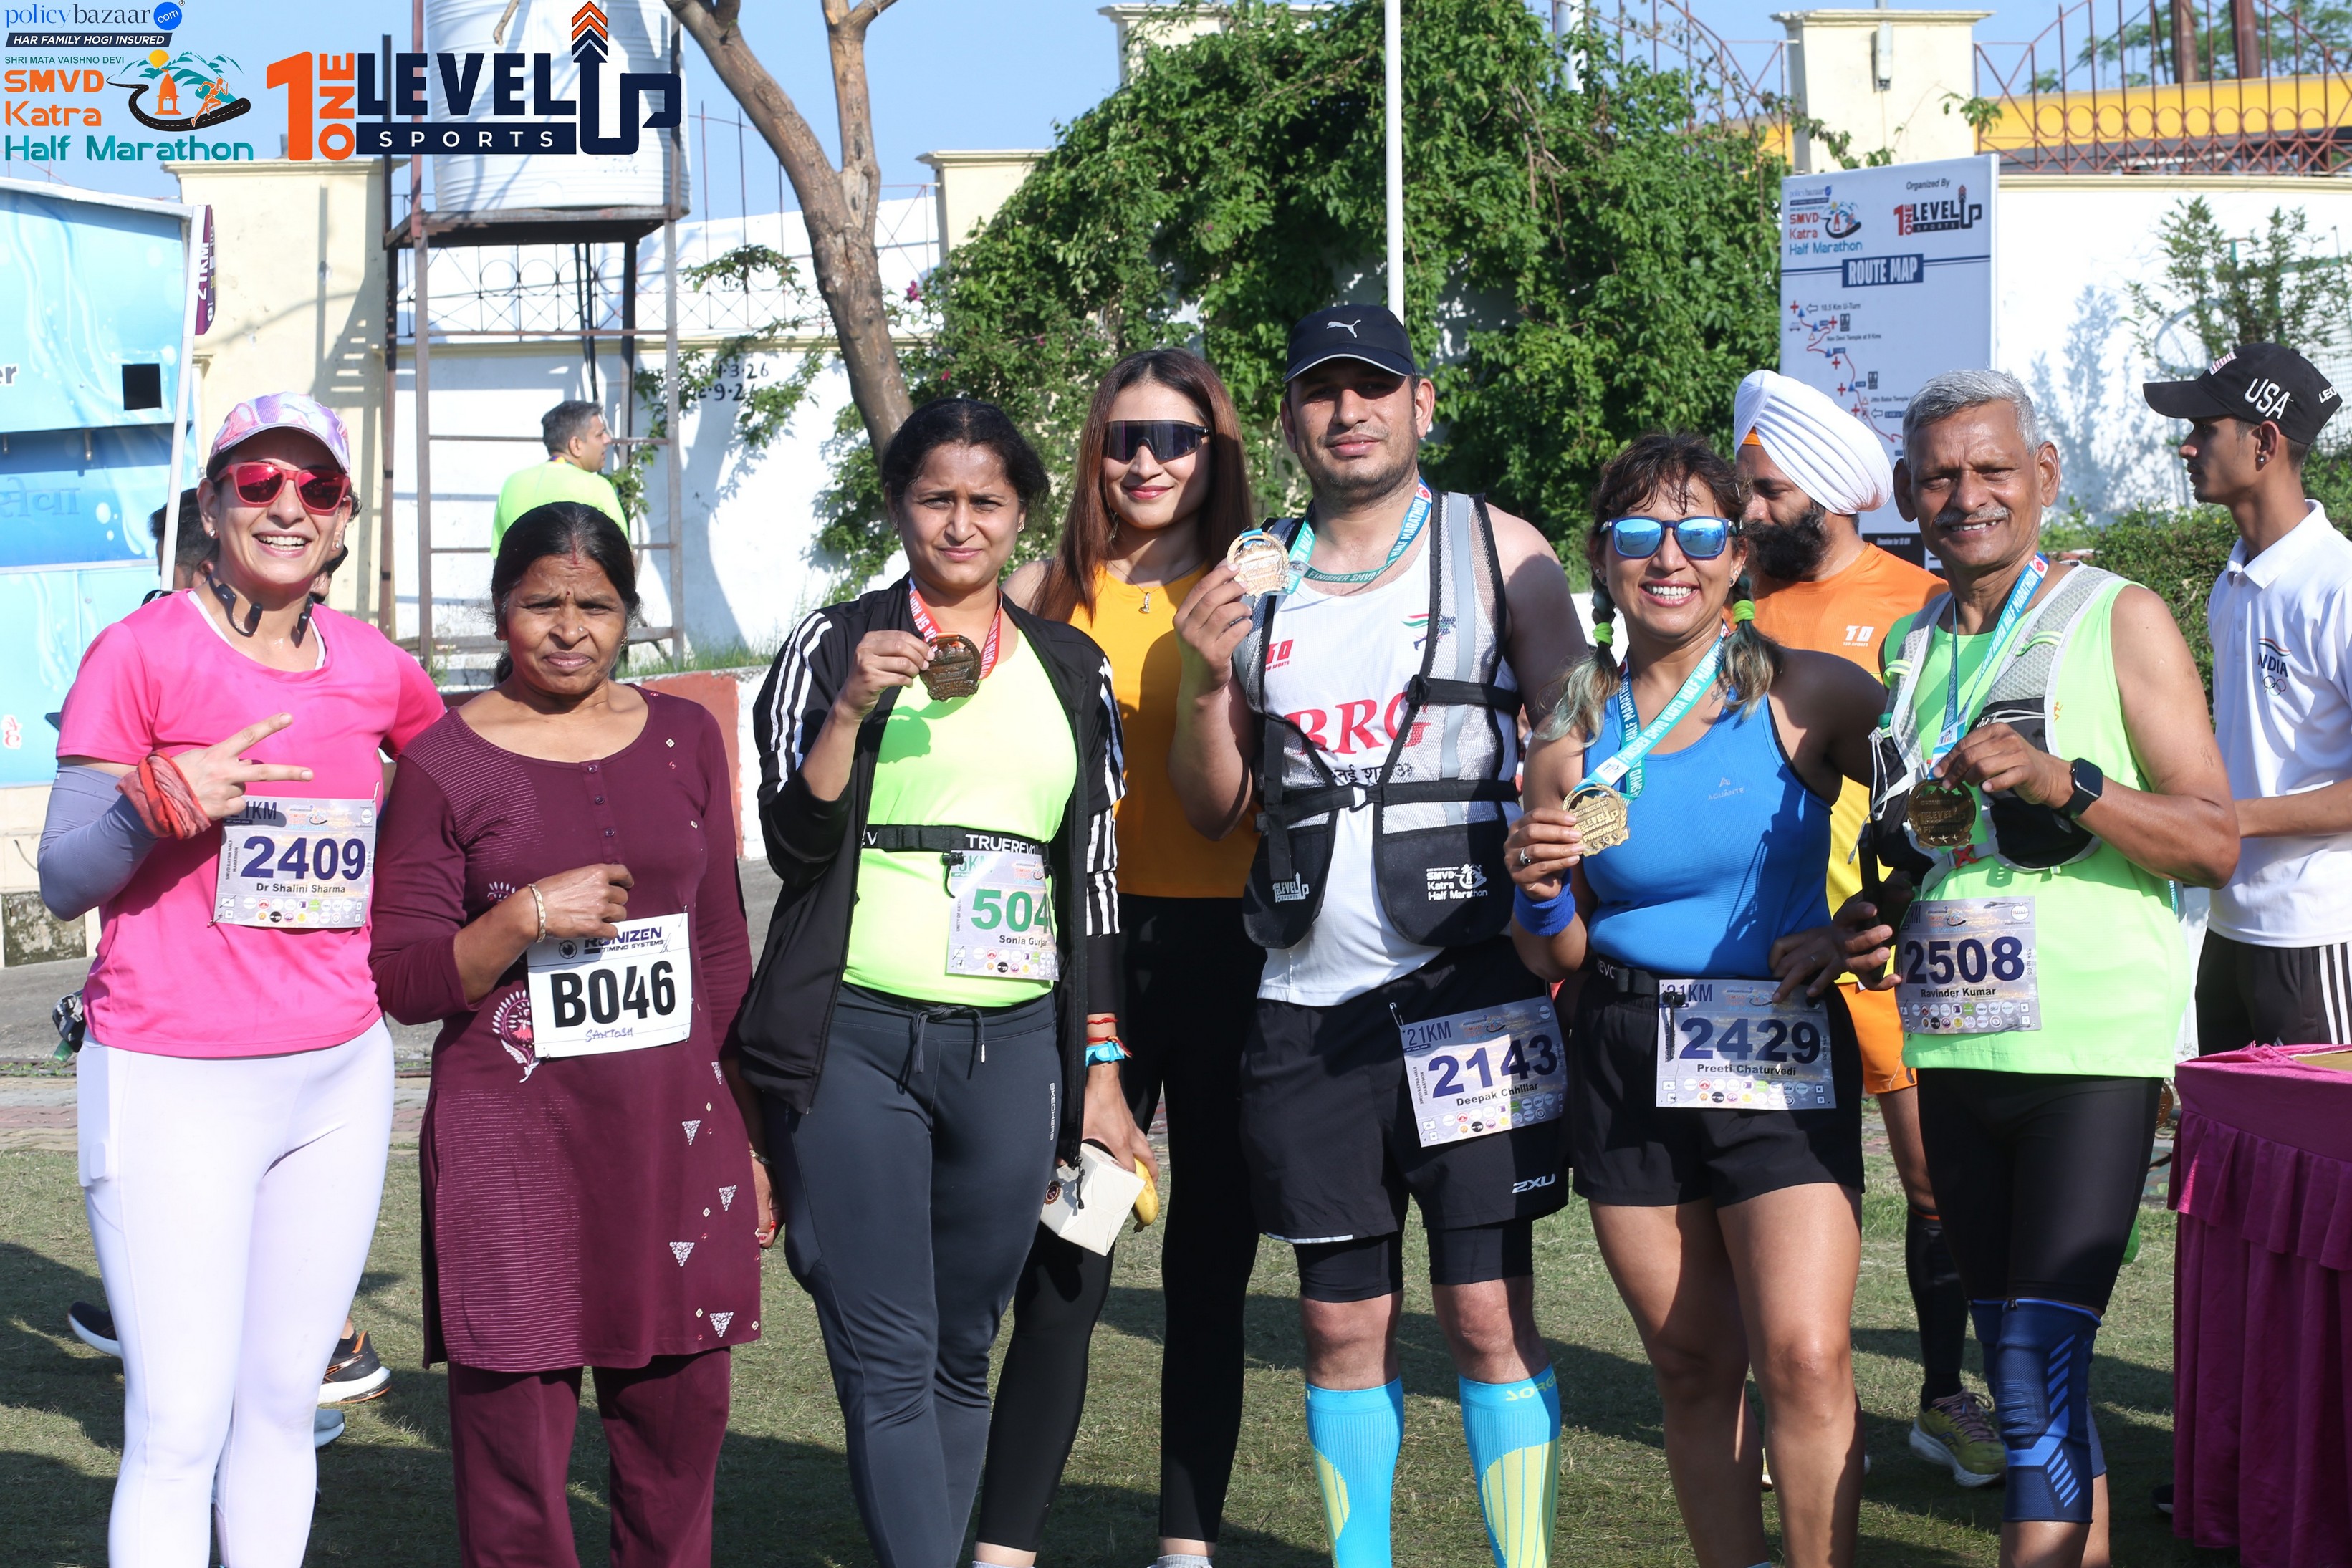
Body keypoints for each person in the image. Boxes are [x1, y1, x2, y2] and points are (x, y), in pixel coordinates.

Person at [1168, 307, 1585, 1568]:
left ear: (1419, 403)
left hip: (1468, 990)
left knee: (1483, 1313)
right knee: (1339, 1326)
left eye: (1372, 387)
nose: (1346, 412)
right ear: (1289, 419)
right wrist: (1202, 679)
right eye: (1320, 391)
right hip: (1305, 1009)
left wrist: (1554, 813)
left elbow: (1572, 710)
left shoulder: (1496, 544)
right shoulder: (1250, 574)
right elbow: (1210, 804)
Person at [38, 391, 445, 1562]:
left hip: (337, 1078)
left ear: (345, 515)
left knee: (282, 1408)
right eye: (257, 482)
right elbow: (63, 876)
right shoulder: (140, 651)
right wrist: (154, 804)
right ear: (212, 506)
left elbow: (463, 789)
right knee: (179, 1424)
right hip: (171, 1077)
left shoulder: (376, 667)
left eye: (316, 486)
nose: (286, 505)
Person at [1841, 370, 2237, 1568]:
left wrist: (2068, 782)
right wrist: (1873, 913)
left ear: (2043, 476)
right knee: (2029, 1369)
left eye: (1991, 470)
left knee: (2028, 1368)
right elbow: (1929, 849)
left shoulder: (2116, 615)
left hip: (2085, 1053)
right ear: (1904, 492)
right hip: (1956, 1047)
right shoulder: (1910, 644)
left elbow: (2210, 837)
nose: (1965, 495)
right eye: (1938, 476)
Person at [734, 398, 1135, 1568]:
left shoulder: (1070, 665)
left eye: (985, 501)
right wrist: (853, 705)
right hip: (853, 1034)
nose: (960, 524)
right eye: (935, 498)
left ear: (1020, 515)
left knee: (964, 1343)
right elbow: (794, 844)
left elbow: (1091, 879)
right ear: (897, 505)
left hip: (1011, 1045)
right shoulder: (831, 642)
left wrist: (1100, 1064)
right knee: (891, 1349)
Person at [1505, 432, 1884, 1568]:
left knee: (1804, 1356)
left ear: (1737, 556)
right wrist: (1534, 892)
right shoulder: (1568, 734)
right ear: (1601, 555)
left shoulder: (1811, 694)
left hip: (1773, 1036)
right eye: (1637, 532)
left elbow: (1937, 813)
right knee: (1689, 1365)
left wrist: (1864, 923)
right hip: (1623, 1044)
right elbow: (1554, 949)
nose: (1667, 556)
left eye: (1698, 531)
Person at [368, 502, 768, 1564]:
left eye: (595, 605)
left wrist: (753, 1133)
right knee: (513, 1470)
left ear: (629, 613)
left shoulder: (685, 736)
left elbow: (720, 947)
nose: (567, 628)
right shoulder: (445, 760)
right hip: (514, 1155)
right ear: (500, 608)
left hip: (677, 1142)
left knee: (678, 1445)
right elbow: (404, 978)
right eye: (540, 602)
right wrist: (523, 917)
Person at [981, 349, 1264, 1568]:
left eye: (1177, 438)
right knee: (1067, 1259)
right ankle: (1001, 1547)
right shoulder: (1042, 594)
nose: (1147, 460)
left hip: (1237, 960)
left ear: (1216, 453)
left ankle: (1185, 1545)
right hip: (1092, 966)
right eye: (1124, 437)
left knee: (1208, 1271)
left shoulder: (1262, 588)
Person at [1731, 369, 2000, 1489]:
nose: (1747, 514)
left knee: (1936, 1186)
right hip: (1772, 959)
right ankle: (1785, 1400)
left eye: (1766, 492)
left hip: (1894, 948)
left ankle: (1942, 1398)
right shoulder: (1726, 609)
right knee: (1769, 1193)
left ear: (1830, 493)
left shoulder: (1918, 603)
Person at [2140, 344, 2352, 1052]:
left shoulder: (2339, 587)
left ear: (2263, 442)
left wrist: (2230, 820)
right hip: (2228, 929)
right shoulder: (2229, 585)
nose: (2185, 446)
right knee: (2231, 1123)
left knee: (2324, 1126)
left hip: (2317, 933)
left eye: (2204, 428)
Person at [491, 399, 623, 547]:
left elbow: (499, 556)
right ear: (576, 445)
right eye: (599, 435)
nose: (607, 439)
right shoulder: (597, 487)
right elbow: (623, 554)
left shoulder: (513, 483)